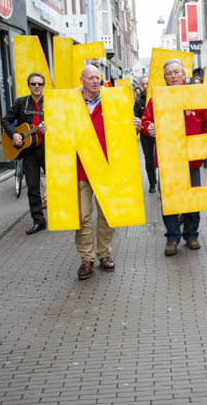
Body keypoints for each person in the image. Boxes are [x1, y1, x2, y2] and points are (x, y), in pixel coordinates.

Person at [141, 59, 207, 256]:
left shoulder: (196, 95)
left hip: (192, 158)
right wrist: (149, 127)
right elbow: (146, 121)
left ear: (184, 75)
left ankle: (191, 234)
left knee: (193, 199)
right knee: (169, 200)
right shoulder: (156, 98)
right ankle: (172, 237)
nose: (173, 76)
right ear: (164, 77)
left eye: (177, 72)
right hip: (168, 160)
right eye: (169, 73)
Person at [74, 65, 128, 279]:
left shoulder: (111, 100)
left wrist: (132, 124)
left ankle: (104, 254)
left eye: (98, 77)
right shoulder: (71, 103)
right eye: (91, 77)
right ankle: (86, 259)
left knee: (106, 215)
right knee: (83, 216)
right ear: (82, 80)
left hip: (106, 168)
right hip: (81, 169)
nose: (96, 81)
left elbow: (122, 127)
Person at [1, 72, 48, 234]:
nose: (37, 87)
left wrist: (49, 129)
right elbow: (5, 120)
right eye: (33, 84)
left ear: (43, 86)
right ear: (28, 85)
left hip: (47, 149)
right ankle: (38, 220)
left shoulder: (50, 103)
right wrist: (14, 133)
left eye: (40, 84)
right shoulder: (21, 103)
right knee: (33, 187)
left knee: (56, 184)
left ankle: (59, 217)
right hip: (29, 152)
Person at [134, 76, 157, 193]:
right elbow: (136, 118)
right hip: (145, 135)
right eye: (143, 84)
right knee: (149, 160)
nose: (145, 86)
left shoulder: (159, 96)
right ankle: (152, 183)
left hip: (158, 134)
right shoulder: (138, 101)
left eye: (147, 83)